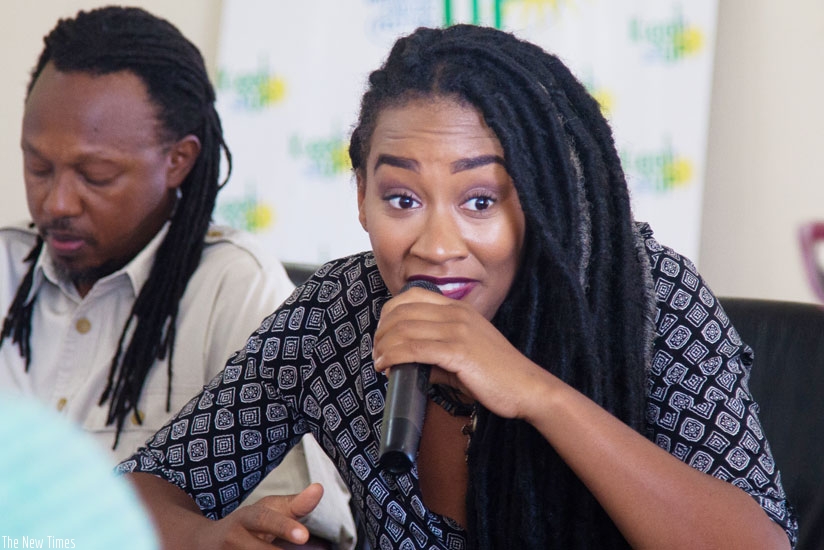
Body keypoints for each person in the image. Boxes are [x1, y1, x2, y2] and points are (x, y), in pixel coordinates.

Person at [119, 24, 798, 549]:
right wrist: (204, 536)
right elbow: (142, 490)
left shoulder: (646, 301)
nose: (437, 247)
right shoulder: (338, 313)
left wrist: (536, 393)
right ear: (361, 197)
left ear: (541, 200)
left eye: (480, 201)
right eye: (402, 198)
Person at [0, 7, 354, 549]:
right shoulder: (6, 268)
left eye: (96, 175)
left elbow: (300, 529)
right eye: (38, 167)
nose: (56, 202)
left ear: (179, 160)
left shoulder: (234, 290)